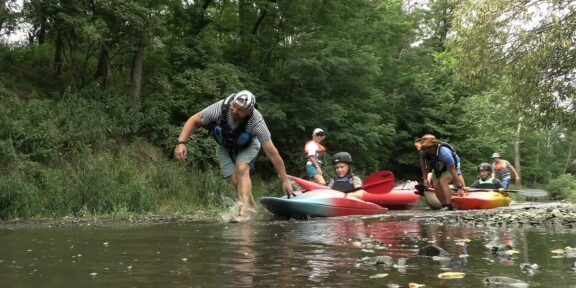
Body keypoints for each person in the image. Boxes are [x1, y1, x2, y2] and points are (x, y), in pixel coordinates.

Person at [174, 90, 293, 219]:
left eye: (240, 110)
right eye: (234, 106)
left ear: (249, 111)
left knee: (241, 168)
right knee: (236, 181)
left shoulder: (257, 122)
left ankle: (243, 212)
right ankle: (252, 207)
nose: (235, 111)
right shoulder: (221, 108)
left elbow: (273, 154)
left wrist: (285, 180)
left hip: (248, 146)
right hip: (224, 146)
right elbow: (194, 120)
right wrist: (181, 142)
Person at [415, 134, 464, 211]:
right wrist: (425, 179)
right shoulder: (423, 152)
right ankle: (443, 204)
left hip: (451, 165)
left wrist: (459, 187)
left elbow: (453, 171)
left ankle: (449, 205)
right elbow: (424, 166)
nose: (422, 150)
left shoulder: (445, 154)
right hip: (437, 166)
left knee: (443, 181)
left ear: (431, 147)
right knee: (435, 184)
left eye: (424, 148)